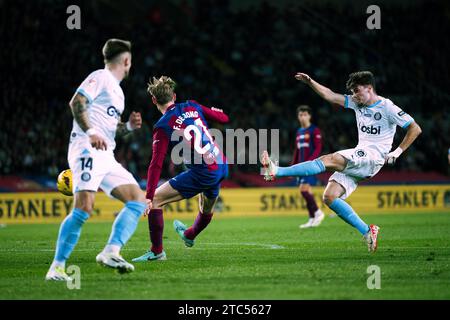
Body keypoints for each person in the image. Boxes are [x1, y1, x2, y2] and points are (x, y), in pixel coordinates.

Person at [262, 71, 422, 252]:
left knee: (328, 159)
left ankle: (277, 171)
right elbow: (329, 95)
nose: (354, 95)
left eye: (357, 91)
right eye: (352, 92)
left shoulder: (388, 107)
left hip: (373, 157)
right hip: (361, 155)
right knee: (329, 197)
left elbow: (415, 128)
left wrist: (397, 152)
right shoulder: (356, 103)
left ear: (369, 88)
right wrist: (310, 82)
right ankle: (367, 231)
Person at [45, 39, 146, 281]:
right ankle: (57, 268)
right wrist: (91, 132)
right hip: (86, 149)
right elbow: (76, 102)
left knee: (137, 199)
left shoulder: (118, 92)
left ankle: (111, 252)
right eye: (129, 61)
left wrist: (129, 126)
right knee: (84, 207)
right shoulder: (100, 76)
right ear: (126, 61)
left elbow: (112, 129)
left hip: (106, 154)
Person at [132, 76, 229, 262]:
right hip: (221, 164)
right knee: (206, 209)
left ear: (154, 100)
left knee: (157, 200)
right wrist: (218, 112)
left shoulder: (162, 125)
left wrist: (149, 196)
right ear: (174, 96)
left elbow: (156, 164)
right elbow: (223, 118)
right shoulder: (192, 106)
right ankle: (189, 235)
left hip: (203, 171)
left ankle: (157, 251)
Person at [292, 105, 325, 228]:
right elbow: (297, 150)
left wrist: (311, 163)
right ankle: (312, 218)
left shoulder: (314, 130)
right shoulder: (299, 132)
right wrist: (293, 167)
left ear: (310, 116)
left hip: (309, 166)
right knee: (306, 191)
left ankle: (318, 212)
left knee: (303, 189)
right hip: (300, 167)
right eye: (300, 115)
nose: (303, 117)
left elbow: (318, 148)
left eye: (305, 114)